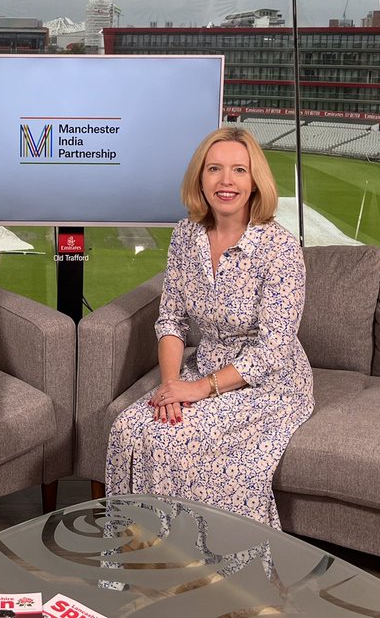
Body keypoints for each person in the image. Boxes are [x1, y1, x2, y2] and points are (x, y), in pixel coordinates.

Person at [104, 127, 312, 529]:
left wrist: (197, 389)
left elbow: (273, 349)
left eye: (238, 170)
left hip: (269, 381)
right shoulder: (186, 235)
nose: (226, 181)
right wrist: (170, 388)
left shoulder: (280, 248)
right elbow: (171, 320)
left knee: (172, 441)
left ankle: (205, 563)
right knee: (128, 428)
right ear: (200, 177)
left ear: (255, 182)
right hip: (203, 367)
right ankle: (139, 553)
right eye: (214, 169)